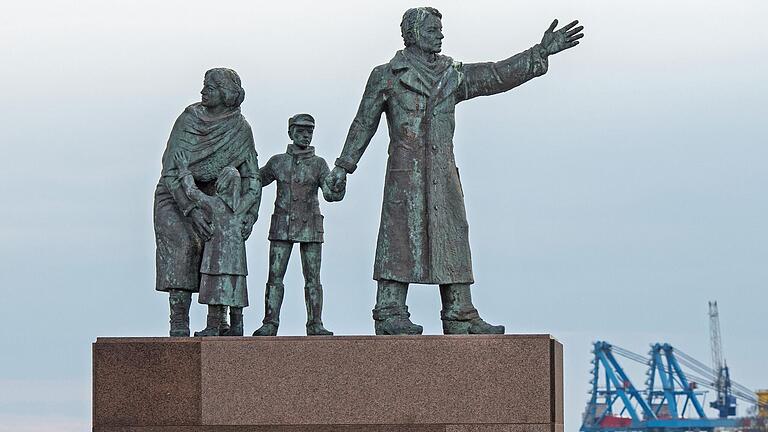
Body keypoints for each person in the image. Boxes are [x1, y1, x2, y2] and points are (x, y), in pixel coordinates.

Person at [327, 7, 584, 335]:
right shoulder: (387, 75)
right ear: (414, 33)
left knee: (452, 235)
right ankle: (389, 312)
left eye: (441, 28)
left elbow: (494, 75)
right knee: (399, 238)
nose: (441, 34)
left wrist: (540, 52)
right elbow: (364, 122)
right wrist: (343, 166)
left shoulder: (452, 73)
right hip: (406, 175)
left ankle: (460, 313)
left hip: (442, 173)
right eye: (433, 29)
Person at [154, 68, 260, 337]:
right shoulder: (189, 119)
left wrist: (247, 216)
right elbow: (171, 171)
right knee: (186, 244)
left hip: (219, 198)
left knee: (220, 249)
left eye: (210, 88)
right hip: (176, 196)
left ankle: (218, 319)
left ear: (226, 94)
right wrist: (190, 210)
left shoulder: (240, 129)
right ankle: (179, 320)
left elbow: (252, 177)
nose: (203, 92)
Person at [252, 114, 345, 337]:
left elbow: (330, 194)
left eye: (309, 132)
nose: (305, 135)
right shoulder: (278, 162)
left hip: (310, 226)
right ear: (290, 133)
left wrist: (340, 185)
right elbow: (255, 180)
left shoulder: (319, 164)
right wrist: (244, 163)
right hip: (282, 226)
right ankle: (270, 323)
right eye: (301, 131)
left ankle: (315, 324)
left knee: (313, 279)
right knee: (274, 278)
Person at [173, 151, 260, 337]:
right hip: (237, 263)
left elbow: (192, 192)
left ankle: (212, 327)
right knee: (236, 290)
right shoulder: (243, 207)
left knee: (215, 291)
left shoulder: (214, 205)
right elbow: (254, 190)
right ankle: (237, 326)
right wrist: (251, 168)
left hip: (215, 260)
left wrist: (183, 170)